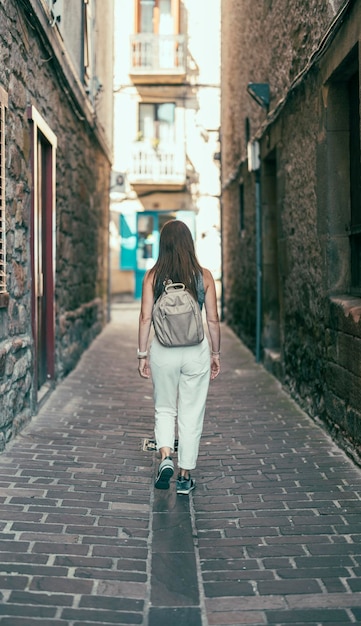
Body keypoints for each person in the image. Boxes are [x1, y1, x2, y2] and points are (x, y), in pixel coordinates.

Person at [137, 220, 221, 495]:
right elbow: (213, 320)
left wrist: (142, 355)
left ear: (163, 245)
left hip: (163, 350)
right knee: (191, 412)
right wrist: (215, 353)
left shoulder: (152, 276)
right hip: (195, 350)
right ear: (189, 243)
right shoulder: (204, 276)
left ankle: (165, 458)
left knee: (164, 407)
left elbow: (145, 317)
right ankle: (185, 477)